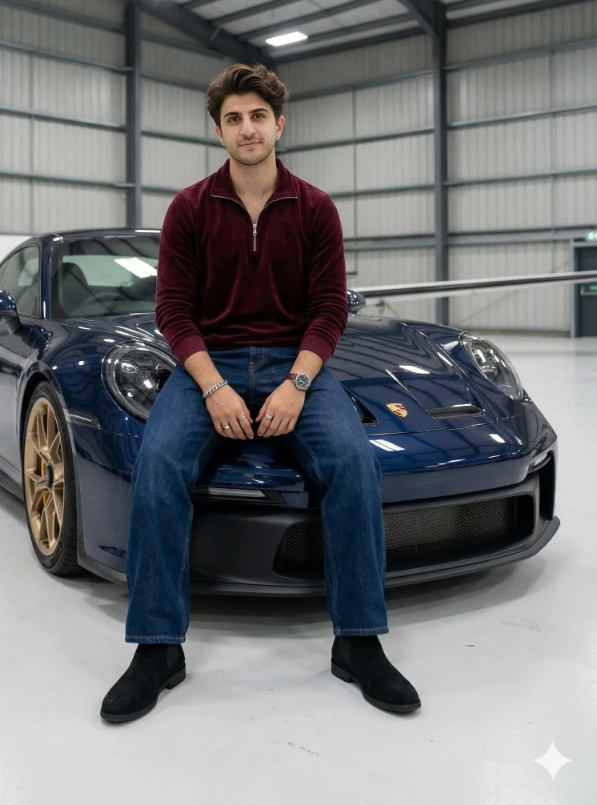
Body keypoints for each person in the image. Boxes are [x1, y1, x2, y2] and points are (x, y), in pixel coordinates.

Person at [100, 64, 421, 723]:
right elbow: (173, 312)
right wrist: (214, 387)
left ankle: (358, 640)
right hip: (208, 364)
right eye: (233, 119)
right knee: (157, 463)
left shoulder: (315, 208)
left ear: (279, 125)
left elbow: (328, 309)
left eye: (257, 116)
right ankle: (157, 648)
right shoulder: (189, 209)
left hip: (292, 361)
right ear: (218, 131)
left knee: (352, 462)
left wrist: (297, 384)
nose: (246, 128)